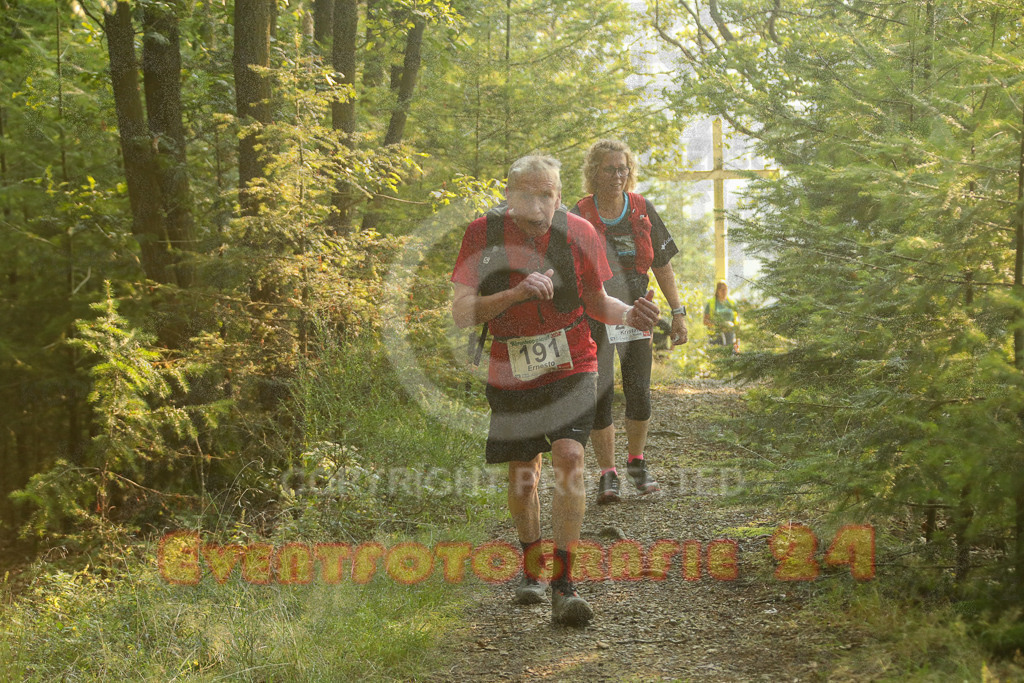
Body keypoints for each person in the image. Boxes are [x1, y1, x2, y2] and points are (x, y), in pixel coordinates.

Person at [451, 155, 660, 626]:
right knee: (524, 473)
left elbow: (597, 301)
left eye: (547, 194)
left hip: (573, 358)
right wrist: (516, 294)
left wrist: (630, 314)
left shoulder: (581, 234)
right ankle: (532, 565)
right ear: (509, 196)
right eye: (527, 194)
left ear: (559, 196)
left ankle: (564, 585)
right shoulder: (481, 235)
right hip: (510, 365)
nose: (538, 204)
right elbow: (463, 313)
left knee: (569, 455)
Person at [571, 139, 688, 505]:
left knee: (639, 390)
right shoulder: (578, 213)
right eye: (610, 168)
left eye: (623, 168)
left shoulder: (642, 210)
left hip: (639, 311)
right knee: (600, 392)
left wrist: (678, 312)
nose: (618, 175)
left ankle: (636, 462)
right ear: (594, 172)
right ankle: (608, 474)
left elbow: (663, 266)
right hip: (594, 312)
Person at [703, 280, 739, 350]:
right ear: (717, 291)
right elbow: (705, 321)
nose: (724, 292)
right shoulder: (711, 303)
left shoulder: (732, 302)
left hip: (730, 335)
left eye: (726, 289)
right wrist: (718, 325)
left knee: (729, 355)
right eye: (722, 290)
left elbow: (737, 321)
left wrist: (737, 340)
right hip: (715, 335)